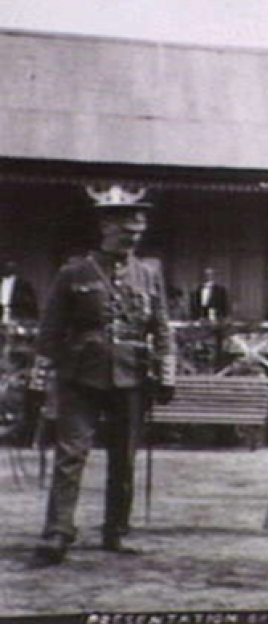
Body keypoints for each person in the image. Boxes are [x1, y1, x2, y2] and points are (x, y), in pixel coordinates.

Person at [30, 190, 176, 566]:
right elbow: (50, 329)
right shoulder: (74, 273)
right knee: (71, 454)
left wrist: (166, 371)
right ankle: (58, 532)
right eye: (125, 230)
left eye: (137, 232)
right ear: (105, 227)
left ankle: (116, 530)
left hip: (131, 375)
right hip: (80, 375)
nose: (132, 237)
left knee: (123, 458)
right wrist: (40, 376)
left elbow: (161, 327)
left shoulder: (148, 274)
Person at [0, 256, 38, 323]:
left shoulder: (23, 284)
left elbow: (31, 304)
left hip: (16, 317)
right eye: (5, 265)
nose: (7, 268)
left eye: (11, 265)